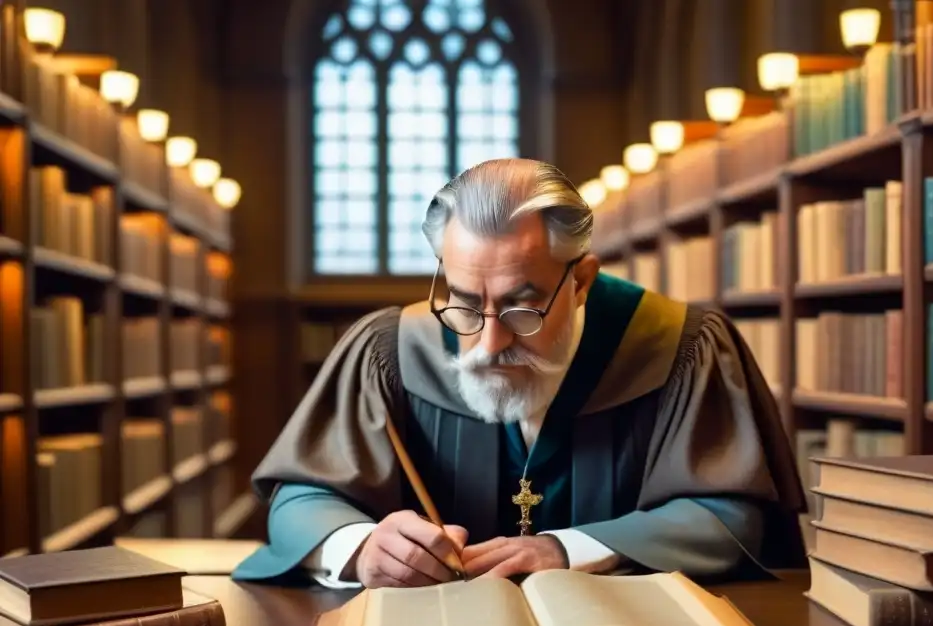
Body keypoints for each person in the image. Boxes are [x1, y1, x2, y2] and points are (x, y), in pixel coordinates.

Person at [232, 158, 807, 589]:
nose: (487, 341)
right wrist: (361, 546)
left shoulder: (680, 348)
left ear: (580, 282)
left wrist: (569, 550)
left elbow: (729, 516)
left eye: (520, 306)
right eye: (463, 301)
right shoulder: (392, 350)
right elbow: (302, 497)